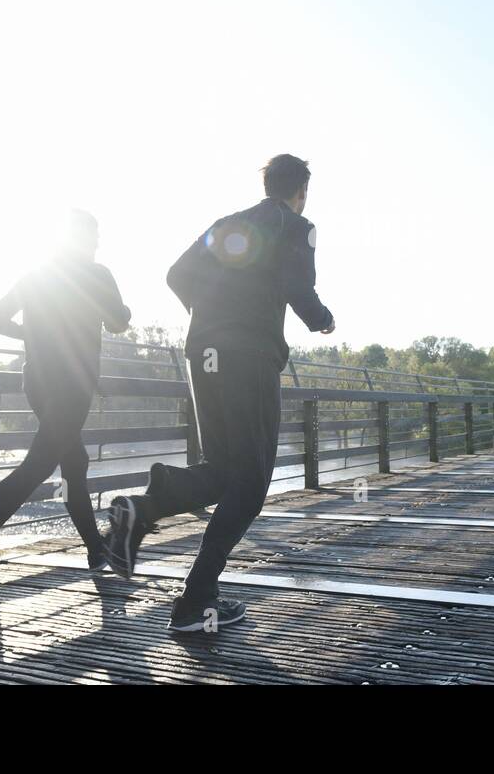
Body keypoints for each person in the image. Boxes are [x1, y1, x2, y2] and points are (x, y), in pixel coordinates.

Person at [104, 154, 334, 632]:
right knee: (250, 485)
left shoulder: (226, 224)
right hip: (247, 356)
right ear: (300, 191)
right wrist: (322, 319)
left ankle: (141, 511)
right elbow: (298, 284)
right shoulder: (297, 223)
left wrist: (210, 312)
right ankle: (194, 600)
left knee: (224, 469)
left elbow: (175, 275)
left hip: (202, 353)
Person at [0, 209, 131, 610]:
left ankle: (97, 551)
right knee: (37, 467)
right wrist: (116, 310)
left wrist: (34, 335)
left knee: (74, 464)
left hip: (37, 381)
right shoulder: (97, 274)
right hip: (72, 383)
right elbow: (118, 323)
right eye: (93, 237)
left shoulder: (37, 272)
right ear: (83, 239)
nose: (97, 244)